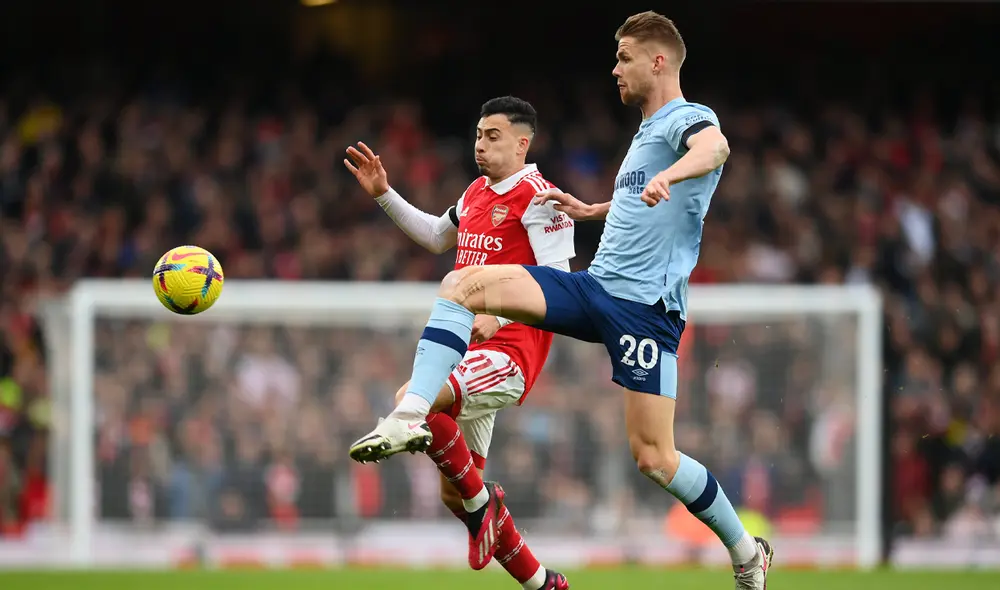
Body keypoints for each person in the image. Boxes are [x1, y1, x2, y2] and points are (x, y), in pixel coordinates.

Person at [346, 12, 776, 589]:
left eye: (624, 57)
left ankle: (746, 550)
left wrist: (671, 175)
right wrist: (599, 210)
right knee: (459, 285)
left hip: (645, 311)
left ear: (658, 61)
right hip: (594, 288)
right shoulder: (644, 134)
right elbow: (639, 209)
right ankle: (408, 416)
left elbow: (716, 148)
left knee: (654, 458)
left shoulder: (686, 119)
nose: (614, 68)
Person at [344, 96, 573, 590]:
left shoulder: (541, 198)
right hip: (465, 354)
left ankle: (482, 506)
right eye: (477, 135)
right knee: (455, 494)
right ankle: (544, 584)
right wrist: (385, 194)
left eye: (492, 136)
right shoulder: (473, 193)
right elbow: (434, 236)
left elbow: (561, 286)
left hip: (509, 353)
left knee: (413, 401)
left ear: (522, 142)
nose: (480, 145)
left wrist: (497, 312)